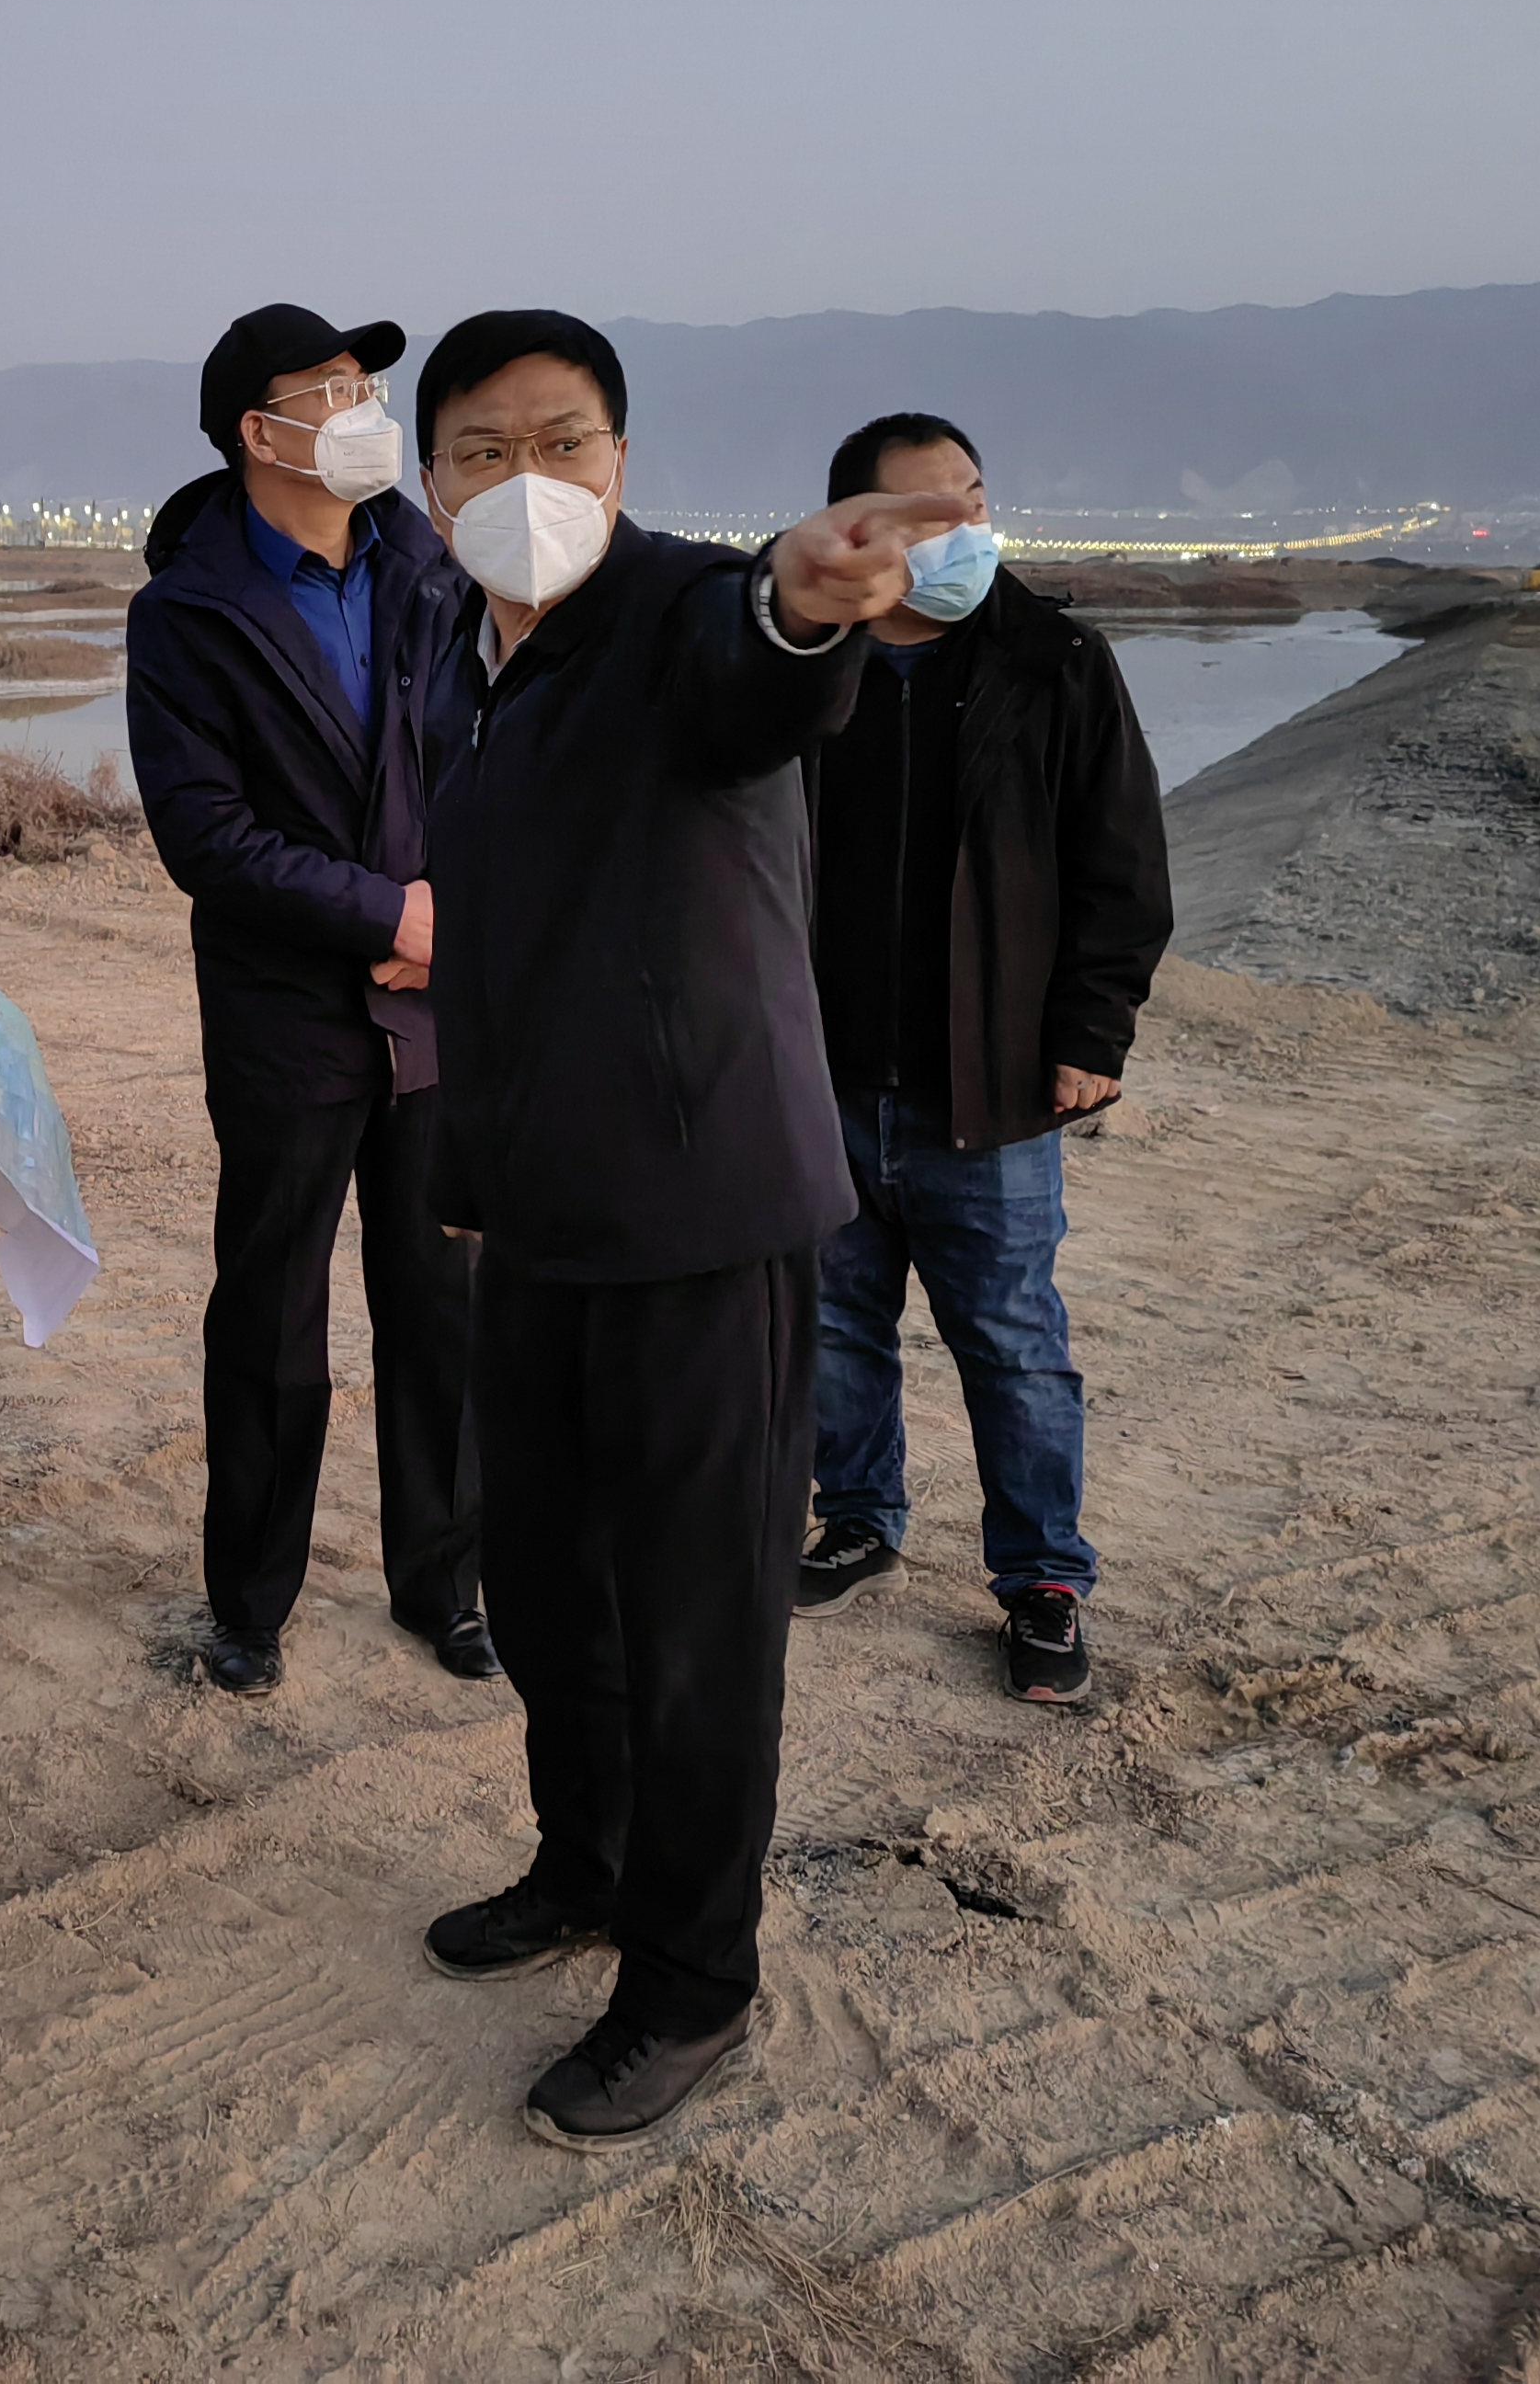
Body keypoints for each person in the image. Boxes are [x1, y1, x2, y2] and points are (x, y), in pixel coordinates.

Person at [407, 312, 965, 2150]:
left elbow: (764, 672)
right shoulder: (463, 653)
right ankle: (586, 1866)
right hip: (533, 1213)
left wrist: (803, 608)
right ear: (433, 486)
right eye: (483, 449)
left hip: (703, 1212)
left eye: (562, 440)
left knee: (698, 1624)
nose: (526, 479)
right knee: (548, 1592)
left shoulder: (677, 609)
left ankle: (692, 1981)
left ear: (622, 463)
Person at [127, 303, 490, 1698]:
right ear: (256, 431)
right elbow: (206, 835)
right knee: (273, 1317)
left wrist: (457, 913)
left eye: (366, 387)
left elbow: (491, 757)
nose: (362, 412)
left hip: (438, 1004)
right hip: (288, 1012)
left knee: (443, 1302)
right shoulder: (189, 611)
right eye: (329, 391)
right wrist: (387, 914)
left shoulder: (432, 567)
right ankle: (251, 1601)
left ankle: (443, 1582)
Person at [796, 415, 1170, 1704]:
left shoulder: (1051, 660)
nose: (962, 529)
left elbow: (1122, 863)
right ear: (856, 530)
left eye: (972, 499)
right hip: (822, 1073)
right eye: (927, 512)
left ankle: (1043, 1580)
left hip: (990, 1080)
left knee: (1012, 1342)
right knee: (833, 1325)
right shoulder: (805, 664)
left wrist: (1090, 1033)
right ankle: (858, 1518)